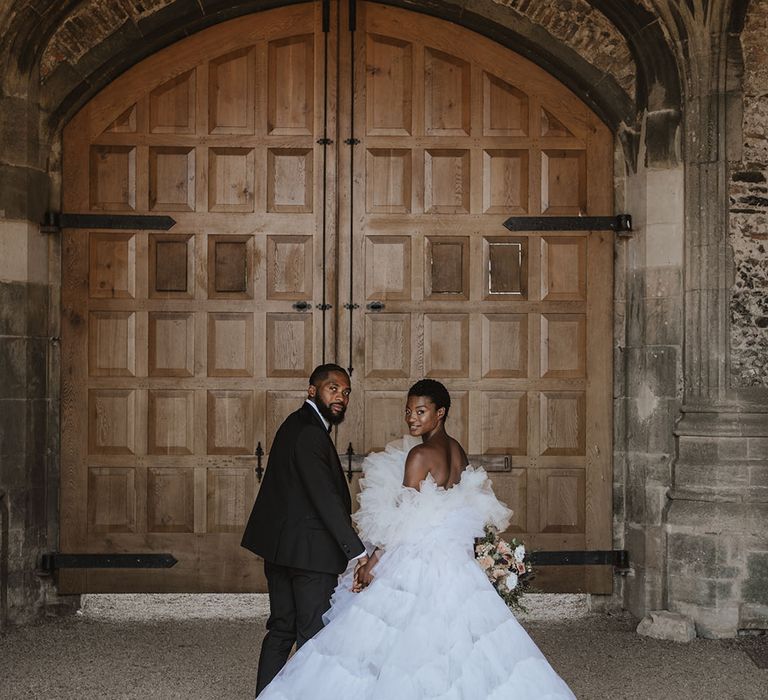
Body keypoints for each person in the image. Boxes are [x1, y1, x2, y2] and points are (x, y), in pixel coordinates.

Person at [255, 378, 576, 699]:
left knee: (391, 638)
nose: (412, 418)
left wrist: (372, 563)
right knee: (457, 639)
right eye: (408, 411)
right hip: (452, 560)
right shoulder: (456, 450)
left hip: (417, 558)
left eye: (421, 411)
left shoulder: (420, 455)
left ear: (441, 413)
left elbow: (404, 517)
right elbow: (460, 507)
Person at [241, 364, 368, 697]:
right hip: (310, 557)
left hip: (282, 551)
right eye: (333, 388)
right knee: (314, 635)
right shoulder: (311, 432)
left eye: (346, 391)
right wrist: (356, 551)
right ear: (312, 390)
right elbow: (323, 497)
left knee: (282, 629)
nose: (341, 396)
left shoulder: (296, 425)